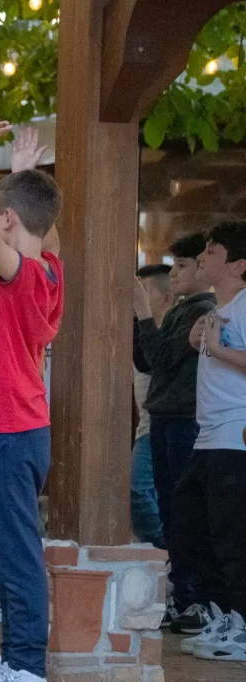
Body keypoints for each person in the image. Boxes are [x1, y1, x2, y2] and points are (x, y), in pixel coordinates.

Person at [0, 112, 64, 682]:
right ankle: (20, 660)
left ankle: (25, 665)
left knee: (16, 553)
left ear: (8, 219)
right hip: (18, 428)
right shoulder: (49, 270)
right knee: (12, 549)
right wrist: (23, 174)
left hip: (8, 430)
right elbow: (38, 227)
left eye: (1, 213)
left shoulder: (20, 275)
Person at [133, 231, 216, 633]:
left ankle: (193, 597)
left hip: (185, 420)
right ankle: (181, 594)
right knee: (170, 510)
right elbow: (147, 360)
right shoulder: (184, 309)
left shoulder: (204, 310)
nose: (175, 273)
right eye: (175, 265)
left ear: (204, 267)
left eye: (183, 265)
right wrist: (141, 318)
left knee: (185, 513)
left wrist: (144, 312)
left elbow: (161, 358)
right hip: (166, 417)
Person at [176, 221, 246, 661]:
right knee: (193, 528)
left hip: (236, 436)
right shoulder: (216, 309)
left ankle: (243, 625)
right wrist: (199, 341)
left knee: (233, 536)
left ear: (238, 265)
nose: (204, 256)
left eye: (214, 251)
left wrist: (217, 350)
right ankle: (225, 615)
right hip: (208, 436)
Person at [130, 264, 173, 548]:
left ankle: (164, 546)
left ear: (166, 298)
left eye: (143, 291)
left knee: (139, 488)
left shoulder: (170, 335)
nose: (136, 297)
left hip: (158, 425)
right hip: (146, 427)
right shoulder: (139, 332)